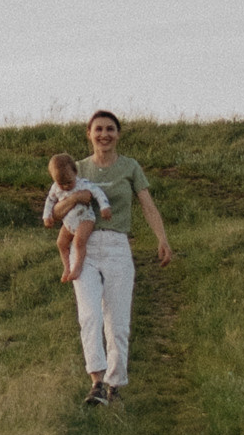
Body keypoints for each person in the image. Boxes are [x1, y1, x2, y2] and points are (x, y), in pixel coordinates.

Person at [64, 109, 172, 405]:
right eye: (98, 129)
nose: (104, 135)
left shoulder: (130, 167)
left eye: (110, 129)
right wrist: (74, 198)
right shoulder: (78, 168)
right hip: (83, 245)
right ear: (89, 134)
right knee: (89, 315)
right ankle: (96, 382)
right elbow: (54, 211)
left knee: (118, 321)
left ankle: (115, 385)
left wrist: (162, 239)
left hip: (117, 247)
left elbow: (148, 206)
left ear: (118, 134)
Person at [40, 151, 103, 283]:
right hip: (68, 223)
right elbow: (49, 201)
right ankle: (67, 267)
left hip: (85, 218)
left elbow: (98, 193)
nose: (65, 186)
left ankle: (78, 266)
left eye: (68, 182)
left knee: (79, 241)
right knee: (61, 243)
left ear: (75, 172)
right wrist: (47, 216)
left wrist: (104, 207)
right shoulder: (56, 188)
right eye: (61, 183)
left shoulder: (83, 183)